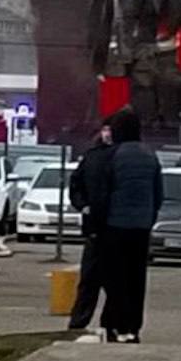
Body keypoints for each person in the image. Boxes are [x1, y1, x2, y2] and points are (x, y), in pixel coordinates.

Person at [99, 107, 163, 343]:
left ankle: (115, 324)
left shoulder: (113, 155)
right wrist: (149, 217)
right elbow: (158, 193)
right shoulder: (150, 156)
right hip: (141, 226)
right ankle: (133, 327)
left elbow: (104, 191)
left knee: (115, 278)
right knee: (137, 277)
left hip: (115, 225)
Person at [66, 120, 113, 331]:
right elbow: (76, 184)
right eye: (105, 129)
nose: (107, 134)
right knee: (88, 282)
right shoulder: (92, 157)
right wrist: (82, 204)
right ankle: (78, 324)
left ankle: (110, 325)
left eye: (110, 130)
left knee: (114, 284)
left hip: (114, 229)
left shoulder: (121, 157)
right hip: (94, 229)